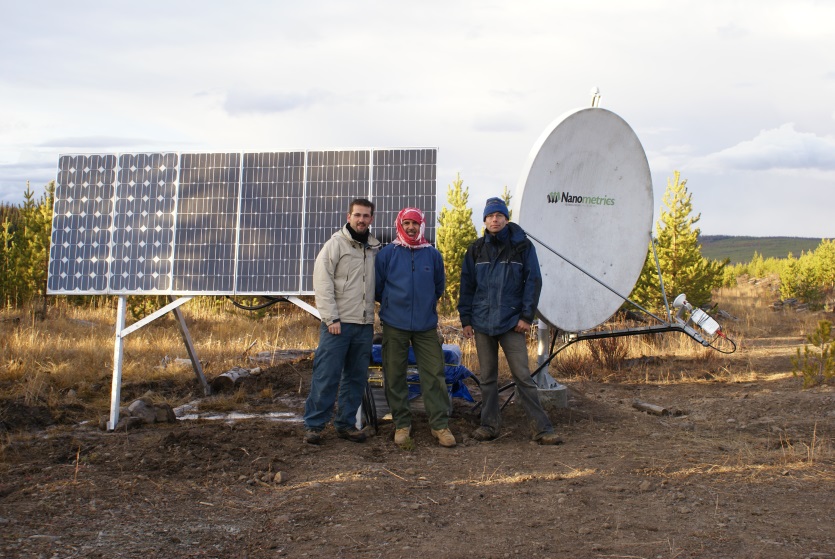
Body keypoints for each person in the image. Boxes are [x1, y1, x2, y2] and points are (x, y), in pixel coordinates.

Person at [458, 197, 563, 445]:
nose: (495, 219)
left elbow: (533, 281)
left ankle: (542, 428)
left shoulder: (522, 247)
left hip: (512, 322)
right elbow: (467, 286)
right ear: (484, 220)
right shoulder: (475, 249)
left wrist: (527, 316)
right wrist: (466, 319)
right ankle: (489, 425)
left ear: (506, 218)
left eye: (499, 215)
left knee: (522, 376)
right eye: (490, 216)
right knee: (488, 378)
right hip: (482, 322)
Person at [375, 207, 457, 448]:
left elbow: (438, 287)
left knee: (434, 374)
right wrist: (392, 305)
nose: (411, 227)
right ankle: (402, 424)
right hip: (394, 324)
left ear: (422, 225)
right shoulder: (387, 254)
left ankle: (440, 425)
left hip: (426, 325)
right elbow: (379, 288)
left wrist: (425, 305)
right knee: (395, 374)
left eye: (415, 223)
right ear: (400, 224)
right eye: (407, 222)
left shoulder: (432, 255)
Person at [303, 198, 380, 444]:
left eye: (366, 216)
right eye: (357, 215)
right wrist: (331, 318)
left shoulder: (374, 249)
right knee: (327, 375)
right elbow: (322, 283)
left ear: (371, 219)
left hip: (364, 325)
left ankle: (345, 424)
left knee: (356, 378)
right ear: (348, 217)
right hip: (338, 324)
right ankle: (315, 426)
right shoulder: (335, 245)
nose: (361, 220)